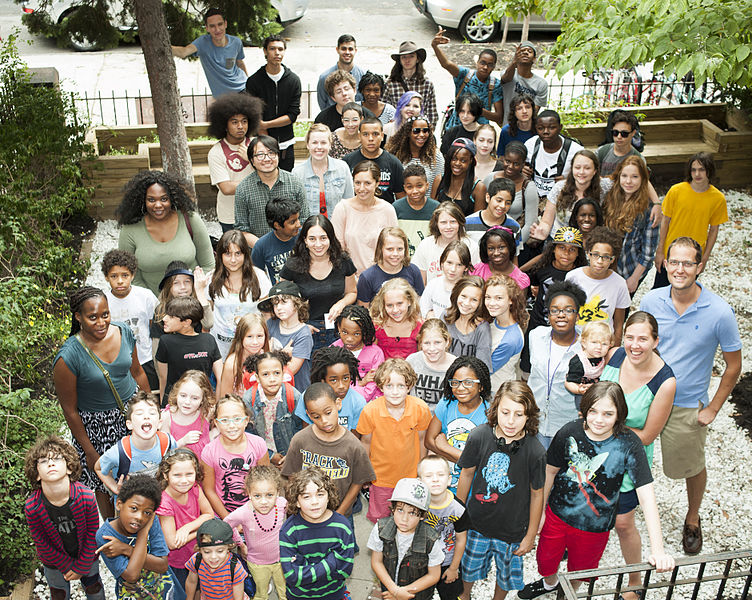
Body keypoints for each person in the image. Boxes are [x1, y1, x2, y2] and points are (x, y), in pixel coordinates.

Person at [518, 382, 675, 599]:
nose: (599, 420)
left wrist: (658, 550)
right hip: (557, 516)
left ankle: (567, 593)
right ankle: (550, 584)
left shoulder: (629, 443)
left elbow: (647, 495)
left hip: (595, 526)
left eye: (608, 413)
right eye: (593, 411)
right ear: (584, 409)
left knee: (582, 571)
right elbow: (550, 472)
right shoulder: (569, 431)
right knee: (545, 561)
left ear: (619, 414)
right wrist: (540, 513)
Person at [640, 236, 741, 555]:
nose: (680, 269)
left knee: (690, 465)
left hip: (685, 405)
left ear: (699, 266)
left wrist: (712, 407)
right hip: (646, 397)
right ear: (665, 263)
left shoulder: (720, 312)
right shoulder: (651, 301)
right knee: (629, 458)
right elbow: (639, 345)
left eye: (688, 263)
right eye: (675, 262)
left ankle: (693, 517)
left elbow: (733, 366)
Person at [53, 287, 151, 517]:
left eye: (105, 315)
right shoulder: (68, 357)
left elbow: (137, 372)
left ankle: (144, 526)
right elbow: (70, 409)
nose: (101, 322)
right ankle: (113, 530)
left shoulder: (124, 331)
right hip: (98, 427)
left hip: (132, 414)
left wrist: (151, 409)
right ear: (78, 317)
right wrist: (89, 451)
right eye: (93, 317)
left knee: (141, 473)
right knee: (106, 486)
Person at [600, 312, 676, 598]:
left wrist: (602, 429)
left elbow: (646, 435)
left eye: (643, 339)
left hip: (628, 457)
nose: (635, 345)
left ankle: (635, 582)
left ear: (656, 341)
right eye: (630, 337)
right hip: (595, 449)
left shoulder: (665, 382)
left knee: (623, 522)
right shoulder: (615, 355)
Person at [455, 380, 546, 600]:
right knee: (467, 569)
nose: (511, 421)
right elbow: (467, 474)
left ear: (529, 416)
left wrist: (530, 535)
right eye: (505, 412)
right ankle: (464, 596)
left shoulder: (536, 451)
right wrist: (457, 515)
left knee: (505, 576)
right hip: (477, 524)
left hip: (512, 530)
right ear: (496, 410)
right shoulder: (479, 436)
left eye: (519, 414)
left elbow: (537, 493)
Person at [284, 382, 376, 547]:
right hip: (306, 512)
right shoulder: (300, 440)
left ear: (338, 404)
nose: (324, 421)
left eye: (328, 412)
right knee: (308, 551)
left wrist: (339, 514)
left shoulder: (353, 445)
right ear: (308, 415)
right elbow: (292, 477)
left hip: (339, 513)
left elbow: (358, 482)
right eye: (316, 416)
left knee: (339, 557)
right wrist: (299, 506)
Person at [24, 436, 105, 600]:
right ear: (37, 474)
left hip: (86, 554)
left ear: (69, 468)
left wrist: (81, 566)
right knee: (59, 593)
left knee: (94, 588)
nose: (51, 463)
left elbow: (92, 534)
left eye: (57, 459)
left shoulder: (86, 497)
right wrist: (68, 566)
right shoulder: (33, 506)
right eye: (43, 461)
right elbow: (42, 542)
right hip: (54, 561)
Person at [356, 359, 433, 522]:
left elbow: (421, 440)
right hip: (380, 478)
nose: (395, 392)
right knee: (382, 519)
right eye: (389, 386)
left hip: (410, 476)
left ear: (409, 386)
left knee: (408, 517)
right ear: (380, 386)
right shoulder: (370, 411)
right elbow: (365, 443)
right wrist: (364, 472)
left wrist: (422, 470)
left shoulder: (420, 409)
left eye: (401, 386)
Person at [116, 171, 215, 296]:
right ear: (143, 201)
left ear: (172, 198)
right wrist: (154, 304)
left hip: (192, 300)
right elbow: (129, 275)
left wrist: (194, 296)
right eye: (151, 200)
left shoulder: (190, 219)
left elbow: (208, 265)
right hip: (151, 304)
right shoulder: (130, 229)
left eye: (164, 199)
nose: (158, 205)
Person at [279, 215, 358, 349]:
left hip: (338, 329)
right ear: (304, 240)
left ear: (330, 239)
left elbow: (352, 292)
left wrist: (341, 304)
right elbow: (281, 301)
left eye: (323, 238)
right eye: (312, 239)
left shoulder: (343, 261)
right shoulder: (292, 266)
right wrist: (299, 325)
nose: (318, 244)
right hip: (305, 330)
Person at [653, 152, 728, 289]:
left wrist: (705, 258)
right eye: (693, 170)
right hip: (671, 251)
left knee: (684, 290)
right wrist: (660, 251)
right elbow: (665, 221)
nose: (697, 174)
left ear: (709, 171)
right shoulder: (676, 191)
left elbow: (714, 230)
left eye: (701, 169)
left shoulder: (718, 198)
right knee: (660, 289)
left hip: (694, 255)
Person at [279, 468, 356, 600]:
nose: (314, 501)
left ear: (328, 496)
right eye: (306, 496)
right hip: (299, 597)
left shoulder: (342, 527)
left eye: (320, 494)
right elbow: (292, 576)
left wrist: (303, 563)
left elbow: (345, 570)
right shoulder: (289, 530)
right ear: (297, 501)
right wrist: (332, 561)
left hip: (334, 594)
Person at [527, 281, 585, 449]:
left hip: (567, 424)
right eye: (555, 310)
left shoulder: (586, 346)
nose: (561, 315)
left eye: (568, 310)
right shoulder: (535, 336)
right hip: (534, 422)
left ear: (578, 315)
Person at [95, 474, 171, 599]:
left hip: (160, 590)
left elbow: (162, 566)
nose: (140, 517)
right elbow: (131, 575)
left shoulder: (150, 521)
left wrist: (126, 549)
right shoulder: (105, 535)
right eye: (134, 508)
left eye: (147, 512)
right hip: (131, 594)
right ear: (119, 504)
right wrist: (144, 531)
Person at [368, 478, 443, 600]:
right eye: (400, 510)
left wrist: (401, 593)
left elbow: (434, 575)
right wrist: (395, 590)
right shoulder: (381, 528)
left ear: (422, 516)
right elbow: (376, 562)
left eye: (412, 513)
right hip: (390, 589)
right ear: (392, 509)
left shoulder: (431, 539)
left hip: (416, 594)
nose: (404, 519)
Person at [155, 448, 214, 600]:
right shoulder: (165, 502)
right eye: (177, 475)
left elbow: (210, 514)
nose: (184, 480)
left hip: (198, 554)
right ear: (165, 475)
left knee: (200, 590)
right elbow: (173, 542)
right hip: (178, 562)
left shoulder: (194, 488)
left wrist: (187, 528)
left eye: (189, 474)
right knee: (183, 595)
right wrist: (201, 530)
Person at [425, 356, 491, 491]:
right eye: (455, 382)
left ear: (481, 386)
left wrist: (445, 447)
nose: (460, 388)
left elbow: (482, 461)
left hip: (472, 487)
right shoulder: (446, 404)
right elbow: (428, 441)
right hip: (442, 483)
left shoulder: (490, 415)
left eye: (468, 382)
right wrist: (466, 461)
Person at [201, 395, 271, 518]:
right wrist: (228, 519)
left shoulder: (258, 444)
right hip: (223, 513)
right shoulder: (209, 452)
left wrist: (255, 515)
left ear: (246, 420)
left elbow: (266, 481)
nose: (231, 425)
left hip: (256, 511)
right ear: (216, 423)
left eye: (237, 419)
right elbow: (209, 490)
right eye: (225, 420)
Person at [224, 465, 288, 600]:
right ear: (248, 492)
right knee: (260, 594)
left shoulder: (282, 504)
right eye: (257, 496)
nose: (263, 502)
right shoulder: (243, 512)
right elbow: (226, 525)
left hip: (282, 561)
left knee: (285, 593)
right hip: (257, 564)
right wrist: (240, 544)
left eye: (269, 495)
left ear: (277, 492)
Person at [206, 230, 272, 358]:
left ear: (245, 254)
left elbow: (267, 315)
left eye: (238, 253)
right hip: (221, 347)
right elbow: (207, 318)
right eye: (227, 254)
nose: (233, 260)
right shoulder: (211, 279)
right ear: (220, 255)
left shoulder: (259, 277)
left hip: (253, 347)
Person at [233, 135, 309, 246]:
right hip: (258, 251)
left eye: (271, 153)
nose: (267, 159)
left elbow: (304, 220)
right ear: (252, 161)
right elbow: (242, 228)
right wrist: (264, 247)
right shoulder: (243, 189)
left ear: (278, 156)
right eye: (260, 155)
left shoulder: (295, 183)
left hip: (292, 249)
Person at [102, 249, 160, 392]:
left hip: (145, 359)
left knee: (150, 396)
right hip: (116, 362)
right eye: (114, 276)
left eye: (125, 275)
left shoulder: (145, 296)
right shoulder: (102, 300)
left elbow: (155, 325)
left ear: (133, 275)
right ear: (106, 277)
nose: (120, 281)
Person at [95, 392, 177, 492]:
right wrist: (115, 488)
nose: (146, 417)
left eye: (152, 413)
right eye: (139, 413)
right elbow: (98, 468)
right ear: (129, 424)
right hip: (129, 503)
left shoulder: (168, 442)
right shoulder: (119, 452)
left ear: (160, 423)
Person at [207, 93, 263, 232]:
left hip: (258, 213)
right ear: (224, 125)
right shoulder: (216, 152)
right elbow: (226, 188)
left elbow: (272, 175)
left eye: (244, 121)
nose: (240, 126)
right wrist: (258, 180)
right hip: (230, 216)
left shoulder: (259, 146)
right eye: (234, 122)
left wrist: (250, 160)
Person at [331, 160, 399, 274]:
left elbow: (394, 247)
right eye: (357, 183)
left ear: (377, 183)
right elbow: (337, 249)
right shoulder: (342, 208)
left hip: (381, 277)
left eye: (367, 183)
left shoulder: (387, 210)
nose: (361, 188)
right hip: (351, 278)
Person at [603, 156, 659, 294]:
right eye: (624, 176)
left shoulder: (649, 211)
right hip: (604, 265)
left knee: (621, 309)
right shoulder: (609, 198)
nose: (628, 181)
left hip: (629, 269)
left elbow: (648, 253)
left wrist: (634, 278)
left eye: (635, 177)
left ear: (643, 180)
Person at [418, 456, 471, 600]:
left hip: (447, 561)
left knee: (450, 595)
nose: (435, 479)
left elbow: (461, 539)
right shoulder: (416, 506)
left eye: (440, 475)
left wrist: (454, 567)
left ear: (449, 479)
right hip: (421, 560)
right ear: (419, 481)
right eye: (428, 476)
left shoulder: (457, 509)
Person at [245, 35, 301, 172]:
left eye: (280, 49)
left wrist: (267, 124)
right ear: (265, 51)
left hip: (287, 144)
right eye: (272, 49)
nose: (277, 53)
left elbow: (292, 115)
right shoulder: (254, 81)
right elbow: (254, 115)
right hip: (262, 144)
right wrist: (267, 144)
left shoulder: (293, 80)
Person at [531, 149, 611, 242]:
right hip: (560, 241)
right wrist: (543, 232)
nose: (581, 172)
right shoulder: (559, 188)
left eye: (587, 168)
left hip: (591, 242)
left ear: (595, 171)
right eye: (577, 167)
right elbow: (546, 221)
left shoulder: (605, 187)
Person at [566, 226, 630, 342]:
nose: (599, 261)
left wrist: (614, 351)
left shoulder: (620, 284)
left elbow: (618, 324)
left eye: (605, 257)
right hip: (575, 340)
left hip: (602, 343)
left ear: (612, 259)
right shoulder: (573, 277)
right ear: (588, 254)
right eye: (595, 255)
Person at [432, 28, 503, 128]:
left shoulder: (495, 84)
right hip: (456, 128)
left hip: (479, 133)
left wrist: (477, 110)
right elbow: (446, 64)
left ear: (494, 67)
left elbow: (499, 117)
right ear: (477, 62)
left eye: (490, 65)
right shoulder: (465, 75)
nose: (485, 67)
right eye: (482, 63)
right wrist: (435, 46)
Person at [155, 297, 222, 400]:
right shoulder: (166, 342)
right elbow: (163, 378)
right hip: (184, 401)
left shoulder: (209, 340)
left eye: (171, 316)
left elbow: (163, 379)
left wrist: (163, 404)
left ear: (187, 322)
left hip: (194, 401)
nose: (164, 319)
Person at [242, 351, 304, 464]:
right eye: (265, 374)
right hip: (260, 456)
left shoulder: (293, 396)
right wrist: (269, 455)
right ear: (257, 377)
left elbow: (301, 429)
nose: (272, 379)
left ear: (283, 373)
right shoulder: (248, 400)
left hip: (288, 455)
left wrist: (293, 453)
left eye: (276, 373)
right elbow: (247, 434)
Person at [171, 8, 247, 98]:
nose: (217, 29)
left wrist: (250, 83)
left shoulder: (236, 42)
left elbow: (240, 63)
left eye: (220, 24)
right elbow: (183, 52)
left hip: (243, 89)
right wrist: (160, 44)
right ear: (207, 28)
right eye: (212, 26)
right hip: (223, 99)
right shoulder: (202, 43)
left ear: (225, 24)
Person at [295, 348, 367, 432]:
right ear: (323, 380)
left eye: (346, 378)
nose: (341, 386)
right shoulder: (309, 397)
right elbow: (306, 432)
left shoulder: (357, 401)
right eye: (333, 380)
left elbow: (355, 438)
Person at [259, 281, 314, 391]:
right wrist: (283, 354)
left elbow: (290, 371)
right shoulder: (271, 324)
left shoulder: (303, 334)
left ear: (297, 303)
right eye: (275, 303)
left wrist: (271, 353)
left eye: (284, 302)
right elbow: (261, 356)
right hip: (272, 389)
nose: (278, 307)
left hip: (295, 391)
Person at [292, 124, 354, 219]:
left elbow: (349, 202)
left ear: (330, 145)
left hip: (337, 227)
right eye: (314, 142)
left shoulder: (342, 168)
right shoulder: (297, 173)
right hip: (308, 230)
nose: (319, 147)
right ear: (308, 145)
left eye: (323, 142)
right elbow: (294, 209)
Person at [342, 118, 406, 205]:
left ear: (382, 136)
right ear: (359, 136)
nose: (371, 138)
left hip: (384, 215)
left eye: (375, 134)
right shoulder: (347, 162)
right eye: (365, 134)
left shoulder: (393, 163)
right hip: (354, 213)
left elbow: (401, 198)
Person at [413, 201, 479, 283]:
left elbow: (474, 279)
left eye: (453, 222)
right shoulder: (426, 244)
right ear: (436, 224)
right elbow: (420, 280)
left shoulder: (471, 246)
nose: (448, 227)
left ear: (460, 222)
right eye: (443, 222)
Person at [524, 110, 584, 199]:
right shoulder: (531, 144)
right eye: (540, 128)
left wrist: (570, 181)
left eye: (551, 128)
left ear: (560, 128)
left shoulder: (575, 151)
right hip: (533, 198)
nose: (546, 132)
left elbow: (588, 178)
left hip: (562, 198)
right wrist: (522, 169)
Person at [357, 227, 425, 306]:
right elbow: (363, 310)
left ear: (406, 249)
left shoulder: (413, 271)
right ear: (380, 249)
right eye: (390, 249)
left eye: (400, 249)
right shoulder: (367, 277)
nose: (395, 254)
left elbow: (419, 302)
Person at [488, 141, 539, 245]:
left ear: (523, 164)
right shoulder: (490, 179)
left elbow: (530, 224)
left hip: (514, 240)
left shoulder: (529, 187)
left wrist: (514, 247)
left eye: (516, 164)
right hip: (488, 238)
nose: (510, 166)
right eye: (507, 161)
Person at [184, 519, 248, 600]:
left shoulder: (235, 568)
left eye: (220, 551)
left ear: (228, 548)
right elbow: (191, 582)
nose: (213, 557)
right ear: (200, 550)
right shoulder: (196, 560)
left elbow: (238, 598)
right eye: (207, 552)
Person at [333, 305, 386, 403]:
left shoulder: (376, 353)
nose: (349, 338)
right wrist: (361, 383)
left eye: (356, 334)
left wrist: (351, 386)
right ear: (338, 327)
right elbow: (333, 386)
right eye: (344, 332)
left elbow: (370, 391)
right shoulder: (334, 350)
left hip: (370, 403)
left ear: (364, 332)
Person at [484, 275, 527, 392]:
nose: (492, 303)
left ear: (511, 300)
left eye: (499, 298)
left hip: (496, 392)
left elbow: (485, 370)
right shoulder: (493, 320)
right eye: (488, 297)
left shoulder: (511, 339)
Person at [160, 370, 215, 460]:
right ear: (176, 393)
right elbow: (164, 452)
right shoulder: (167, 417)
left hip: (204, 466)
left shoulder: (206, 412)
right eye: (183, 395)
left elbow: (227, 415)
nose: (187, 402)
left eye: (194, 398)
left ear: (203, 399)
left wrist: (213, 433)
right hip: (180, 468)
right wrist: (183, 441)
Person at [384, 41, 439, 130]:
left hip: (419, 132)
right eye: (404, 57)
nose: (407, 60)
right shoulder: (390, 83)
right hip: (397, 130)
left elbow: (432, 114)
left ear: (417, 59)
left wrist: (427, 133)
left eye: (411, 56)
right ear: (400, 60)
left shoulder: (427, 84)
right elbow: (385, 110)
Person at [387, 115, 444, 198]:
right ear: (408, 132)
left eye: (425, 131)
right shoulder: (395, 155)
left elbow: (438, 181)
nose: (421, 134)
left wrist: (431, 205)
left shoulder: (436, 156)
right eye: (416, 131)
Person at [440, 276, 492, 366]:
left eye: (474, 300)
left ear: (480, 303)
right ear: (457, 295)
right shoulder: (446, 316)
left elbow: (482, 365)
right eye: (464, 296)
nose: (467, 303)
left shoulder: (482, 328)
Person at [407, 319, 458, 409]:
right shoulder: (412, 361)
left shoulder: (456, 366)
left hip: (443, 418)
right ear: (420, 343)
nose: (432, 348)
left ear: (447, 342)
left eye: (437, 342)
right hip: (415, 416)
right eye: (426, 343)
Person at [218, 313, 271, 397]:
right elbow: (225, 398)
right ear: (241, 337)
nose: (255, 342)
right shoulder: (232, 363)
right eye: (249, 336)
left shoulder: (266, 357)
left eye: (259, 336)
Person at [394, 163, 441, 256]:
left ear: (427, 185)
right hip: (402, 260)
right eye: (410, 187)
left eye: (419, 186)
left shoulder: (437, 208)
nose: (415, 191)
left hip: (429, 259)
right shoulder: (396, 208)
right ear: (404, 188)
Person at [251, 198, 301, 285]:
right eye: (293, 222)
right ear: (277, 225)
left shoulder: (304, 237)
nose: (298, 224)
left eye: (298, 219)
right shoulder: (261, 246)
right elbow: (256, 275)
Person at [371, 278, 423, 359]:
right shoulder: (377, 327)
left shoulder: (420, 326)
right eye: (389, 305)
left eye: (399, 303)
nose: (395, 310)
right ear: (383, 305)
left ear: (409, 301)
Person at [433, 138, 487, 216]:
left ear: (471, 160)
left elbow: (477, 221)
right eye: (454, 159)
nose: (457, 163)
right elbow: (432, 212)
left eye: (463, 160)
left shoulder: (478, 188)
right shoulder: (439, 180)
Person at [499, 42, 548, 126]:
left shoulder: (541, 84)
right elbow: (505, 79)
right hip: (508, 126)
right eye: (522, 51)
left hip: (527, 128)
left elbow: (534, 111)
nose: (525, 53)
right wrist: (514, 62)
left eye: (529, 51)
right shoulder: (509, 73)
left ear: (534, 59)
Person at [564, 321, 611, 407]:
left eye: (604, 344)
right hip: (583, 394)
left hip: (599, 391)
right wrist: (578, 389)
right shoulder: (578, 362)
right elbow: (569, 383)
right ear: (584, 343)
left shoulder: (606, 357)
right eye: (594, 342)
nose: (599, 347)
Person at [420, 241, 472, 319]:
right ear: (442, 262)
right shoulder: (433, 284)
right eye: (449, 263)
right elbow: (424, 306)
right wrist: (428, 314)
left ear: (466, 267)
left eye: (459, 265)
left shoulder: (469, 289)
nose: (453, 269)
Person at [316, 34, 366, 111]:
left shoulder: (363, 75)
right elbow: (323, 104)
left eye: (350, 49)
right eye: (343, 49)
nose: (347, 52)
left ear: (355, 51)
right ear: (337, 50)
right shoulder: (324, 77)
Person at [466, 178, 521, 244]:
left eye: (508, 203)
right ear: (488, 197)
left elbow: (515, 253)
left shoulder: (514, 227)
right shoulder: (467, 223)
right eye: (499, 200)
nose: (503, 206)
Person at [595, 110, 643, 176]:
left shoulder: (638, 159)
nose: (619, 137)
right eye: (615, 132)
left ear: (633, 133)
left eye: (624, 134)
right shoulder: (601, 152)